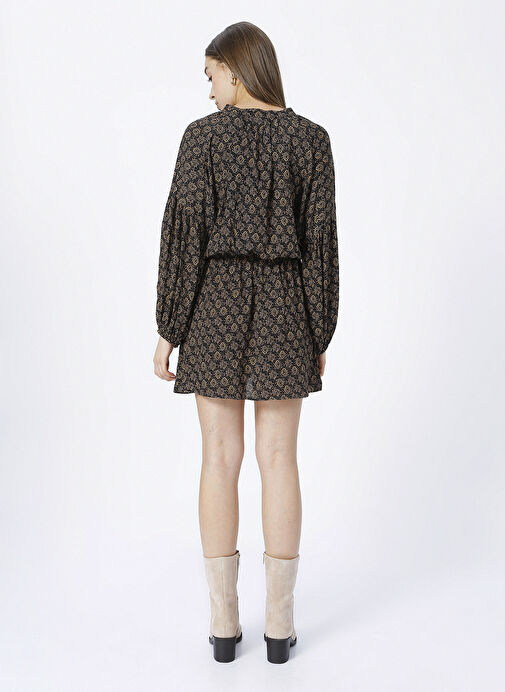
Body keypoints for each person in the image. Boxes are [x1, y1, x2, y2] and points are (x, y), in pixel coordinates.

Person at [153, 21, 339, 664]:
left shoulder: (201, 139)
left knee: (218, 458)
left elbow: (183, 234)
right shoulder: (311, 140)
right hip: (287, 306)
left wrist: (169, 327)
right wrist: (319, 327)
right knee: (280, 458)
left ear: (235, 69)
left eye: (211, 76)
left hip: (215, 303)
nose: (209, 92)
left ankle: (224, 624)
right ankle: (280, 627)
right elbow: (320, 245)